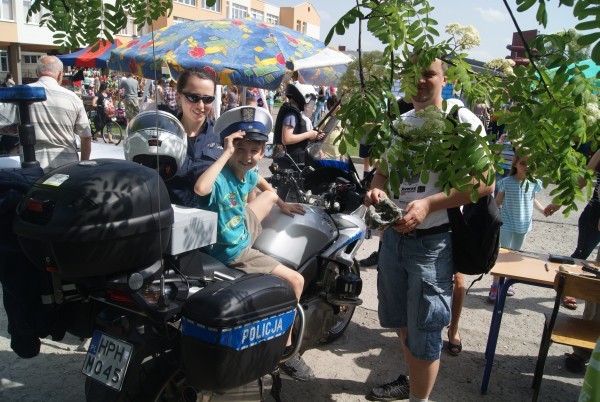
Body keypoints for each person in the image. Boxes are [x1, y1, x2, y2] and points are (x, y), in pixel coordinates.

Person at [366, 57, 493, 402]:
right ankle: (412, 380)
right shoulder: (402, 122)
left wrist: (428, 205)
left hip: (432, 244)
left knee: (426, 333)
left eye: (428, 73)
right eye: (412, 73)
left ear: (444, 77)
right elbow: (382, 173)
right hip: (394, 240)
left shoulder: (460, 121)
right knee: (404, 324)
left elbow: (485, 183)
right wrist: (377, 192)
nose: (420, 81)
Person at [194, 105, 315, 381]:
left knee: (271, 197)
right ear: (230, 147)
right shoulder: (220, 177)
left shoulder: (248, 171)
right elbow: (201, 189)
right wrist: (225, 154)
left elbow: (260, 181)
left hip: (240, 228)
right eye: (241, 149)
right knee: (296, 281)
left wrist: (283, 203)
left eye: (254, 151)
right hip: (232, 251)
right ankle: (286, 352)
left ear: (262, 152)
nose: (248, 157)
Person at [544, 150, 600, 312]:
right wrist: (559, 203)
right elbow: (582, 179)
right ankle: (566, 289)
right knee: (581, 256)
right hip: (595, 214)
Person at [488, 152, 544, 302]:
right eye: (523, 163)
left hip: (524, 224)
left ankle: (507, 283)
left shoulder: (534, 183)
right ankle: (495, 285)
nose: (526, 167)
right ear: (515, 164)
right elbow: (498, 202)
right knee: (503, 253)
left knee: (515, 255)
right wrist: (491, 217)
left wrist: (543, 210)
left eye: (530, 164)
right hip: (506, 223)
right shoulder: (506, 182)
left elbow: (533, 200)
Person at [165, 68, 223, 207]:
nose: (201, 106)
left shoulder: (222, 136)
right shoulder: (163, 135)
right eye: (193, 98)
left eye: (207, 99)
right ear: (179, 97)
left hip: (210, 220)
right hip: (170, 219)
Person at [24, 56, 92, 172]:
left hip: (33, 168)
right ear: (60, 74)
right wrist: (82, 167)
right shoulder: (73, 98)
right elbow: (86, 138)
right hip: (67, 168)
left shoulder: (22, 94)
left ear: (37, 72)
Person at [273, 82, 323, 165]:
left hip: (293, 159)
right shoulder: (291, 113)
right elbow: (286, 139)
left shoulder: (293, 111)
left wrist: (314, 136)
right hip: (291, 161)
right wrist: (309, 134)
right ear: (304, 97)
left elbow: (297, 134)